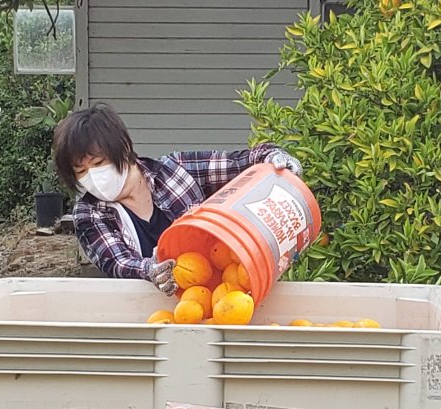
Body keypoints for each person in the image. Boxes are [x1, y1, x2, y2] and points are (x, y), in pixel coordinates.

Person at [52, 103, 303, 297]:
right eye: (81, 171)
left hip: (225, 295)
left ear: (124, 148)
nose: (93, 176)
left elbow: (238, 162)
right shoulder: (89, 212)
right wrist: (151, 269)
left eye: (98, 163)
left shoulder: (176, 171)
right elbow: (118, 262)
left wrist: (272, 156)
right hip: (152, 314)